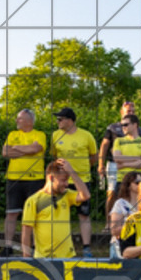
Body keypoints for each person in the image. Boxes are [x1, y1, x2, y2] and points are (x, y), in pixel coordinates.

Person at [51, 107, 98, 256]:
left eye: (60, 119)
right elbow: (54, 156)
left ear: (70, 120)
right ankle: (58, 245)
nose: (57, 122)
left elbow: (94, 157)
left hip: (81, 181)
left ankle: (86, 248)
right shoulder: (55, 135)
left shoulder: (86, 135)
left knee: (83, 215)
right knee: (58, 214)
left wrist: (81, 170)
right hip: (61, 181)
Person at [21, 159, 90, 259]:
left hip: (68, 257)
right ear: (51, 178)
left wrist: (72, 173)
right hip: (44, 259)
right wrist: (26, 258)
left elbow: (86, 195)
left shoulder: (67, 195)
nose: (66, 184)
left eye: (67, 180)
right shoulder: (34, 200)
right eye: (63, 180)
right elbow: (26, 231)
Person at [2, 108, 46, 253]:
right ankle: (7, 247)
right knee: (11, 213)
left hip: (35, 180)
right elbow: (5, 152)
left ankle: (33, 246)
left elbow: (36, 148)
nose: (17, 121)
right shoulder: (12, 134)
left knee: (34, 214)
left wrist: (16, 148)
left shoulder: (39, 134)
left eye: (20, 118)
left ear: (29, 121)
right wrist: (26, 149)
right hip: (13, 179)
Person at [98, 100, 141, 230]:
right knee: (112, 193)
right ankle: (109, 223)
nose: (131, 112)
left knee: (134, 193)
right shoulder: (112, 127)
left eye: (133, 111)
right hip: (114, 164)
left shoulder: (138, 129)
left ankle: (131, 220)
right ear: (121, 112)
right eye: (129, 110)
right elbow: (104, 146)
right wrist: (101, 164)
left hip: (133, 166)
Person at [110, 171, 141, 257]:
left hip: (139, 246)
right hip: (120, 246)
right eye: (137, 182)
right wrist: (137, 227)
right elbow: (114, 230)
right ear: (128, 185)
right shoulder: (120, 204)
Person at [112, 113, 141, 183]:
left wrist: (124, 164)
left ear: (135, 125)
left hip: (138, 180)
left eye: (125, 124)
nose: (123, 127)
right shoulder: (118, 141)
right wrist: (138, 158)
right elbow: (117, 158)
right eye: (122, 125)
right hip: (122, 180)